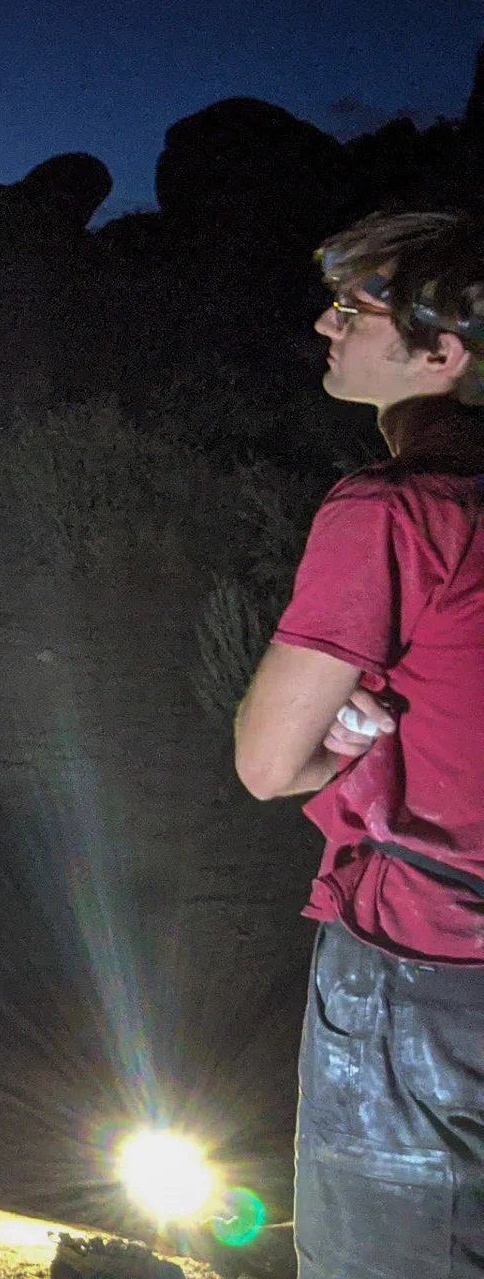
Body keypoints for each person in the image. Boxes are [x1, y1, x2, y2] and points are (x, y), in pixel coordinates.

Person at [233, 206, 484, 1275]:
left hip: (422, 969)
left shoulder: (397, 510)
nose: (327, 327)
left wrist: (344, 744)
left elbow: (266, 762)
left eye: (356, 308)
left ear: (445, 350)